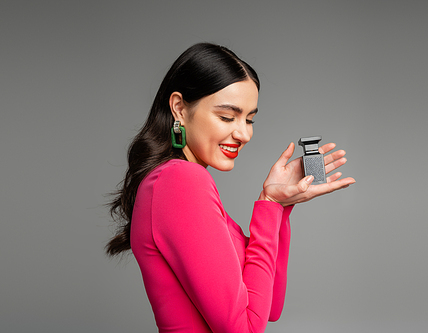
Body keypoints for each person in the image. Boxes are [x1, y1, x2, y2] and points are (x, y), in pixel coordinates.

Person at [106, 43, 356, 333]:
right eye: (227, 117)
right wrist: (270, 205)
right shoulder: (180, 181)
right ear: (179, 108)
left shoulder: (170, 182)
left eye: (250, 119)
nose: (244, 133)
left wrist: (276, 206)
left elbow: (269, 307)